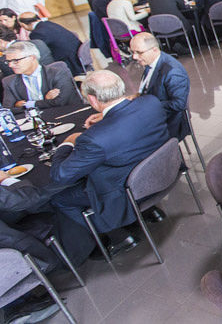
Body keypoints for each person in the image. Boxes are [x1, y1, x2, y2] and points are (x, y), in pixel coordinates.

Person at [50, 70, 170, 262]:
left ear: (92, 99)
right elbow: (129, 117)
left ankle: (117, 236)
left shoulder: (94, 138)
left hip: (125, 191)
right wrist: (106, 118)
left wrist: (68, 143)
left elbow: (61, 175)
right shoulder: (151, 103)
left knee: (58, 198)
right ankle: (149, 211)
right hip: (162, 172)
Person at [125, 32, 190, 140]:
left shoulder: (173, 72)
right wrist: (138, 95)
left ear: (154, 49)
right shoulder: (149, 61)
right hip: (152, 112)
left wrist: (149, 106)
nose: (134, 57)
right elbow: (149, 85)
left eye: (139, 52)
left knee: (128, 137)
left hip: (169, 122)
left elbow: (179, 104)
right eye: (132, 52)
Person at [1, 41, 80, 109]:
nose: (10, 65)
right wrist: (46, 101)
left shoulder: (57, 72)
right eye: (8, 61)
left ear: (32, 58)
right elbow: (8, 109)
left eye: (15, 61)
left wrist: (26, 104)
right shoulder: (9, 82)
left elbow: (61, 101)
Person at [18, 13, 83, 76]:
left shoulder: (36, 33)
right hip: (77, 55)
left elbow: (41, 52)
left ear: (23, 25)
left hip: (69, 62)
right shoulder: (48, 23)